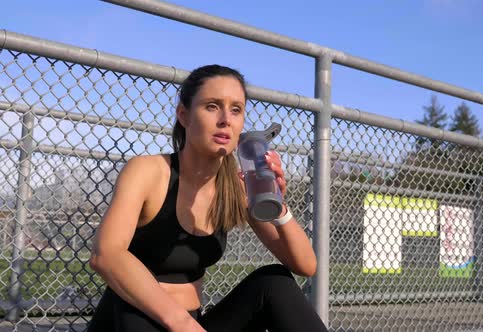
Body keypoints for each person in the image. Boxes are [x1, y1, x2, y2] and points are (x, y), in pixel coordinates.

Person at [87, 64, 327, 332]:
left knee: (275, 283)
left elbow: (306, 265)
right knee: (132, 310)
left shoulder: (237, 188)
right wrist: (181, 323)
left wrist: (278, 206)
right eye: (212, 106)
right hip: (131, 319)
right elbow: (105, 254)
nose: (225, 118)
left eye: (236, 109)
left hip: (193, 323)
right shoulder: (149, 171)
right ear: (184, 115)